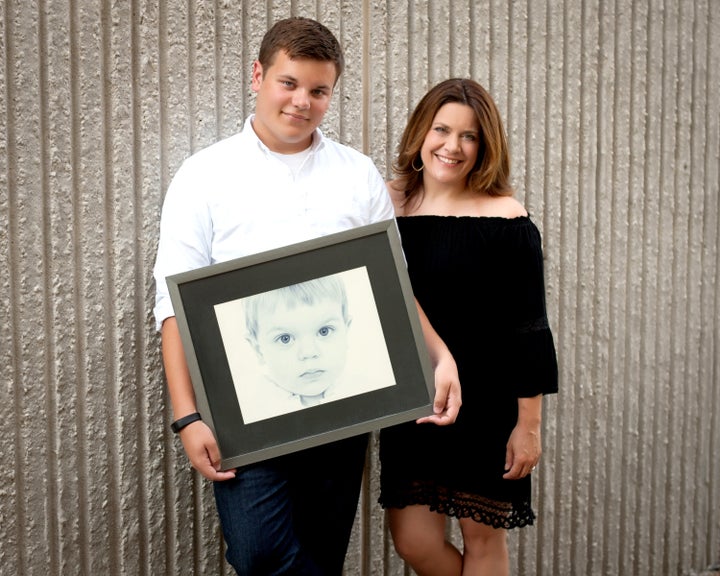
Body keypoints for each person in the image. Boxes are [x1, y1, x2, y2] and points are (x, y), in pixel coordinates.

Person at [153, 17, 460, 575]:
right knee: (258, 552)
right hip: (241, 411)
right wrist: (187, 417)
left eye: (318, 91)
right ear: (258, 75)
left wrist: (440, 357)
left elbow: (392, 285)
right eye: (288, 83)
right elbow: (173, 306)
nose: (302, 102)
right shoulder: (204, 177)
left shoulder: (356, 175)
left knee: (322, 552)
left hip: (343, 402)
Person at [378, 78, 558, 575]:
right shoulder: (386, 205)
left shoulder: (505, 218)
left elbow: (529, 329)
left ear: (485, 146)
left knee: (482, 542)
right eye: (442, 129)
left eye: (469, 136)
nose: (452, 146)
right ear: (421, 132)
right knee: (413, 540)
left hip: (489, 404)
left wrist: (528, 426)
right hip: (414, 401)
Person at [243, 276, 352, 410]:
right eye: (285, 338)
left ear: (346, 330)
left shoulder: (364, 387)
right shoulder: (255, 408)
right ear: (258, 350)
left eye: (324, 331)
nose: (309, 353)